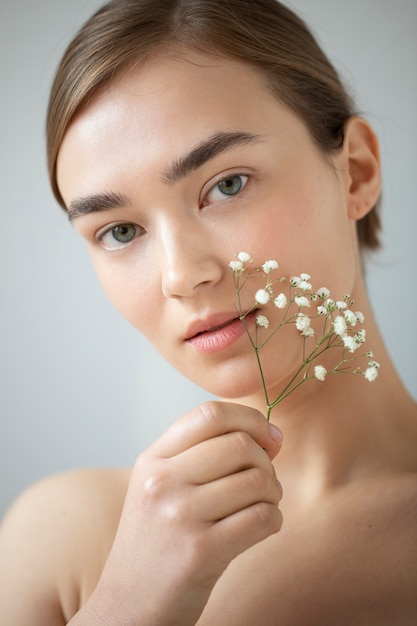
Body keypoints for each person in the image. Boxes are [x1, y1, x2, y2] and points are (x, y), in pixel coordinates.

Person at [0, 0, 416, 623]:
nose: (181, 274)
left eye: (226, 185)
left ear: (355, 172)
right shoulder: (64, 539)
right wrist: (128, 604)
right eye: (118, 231)